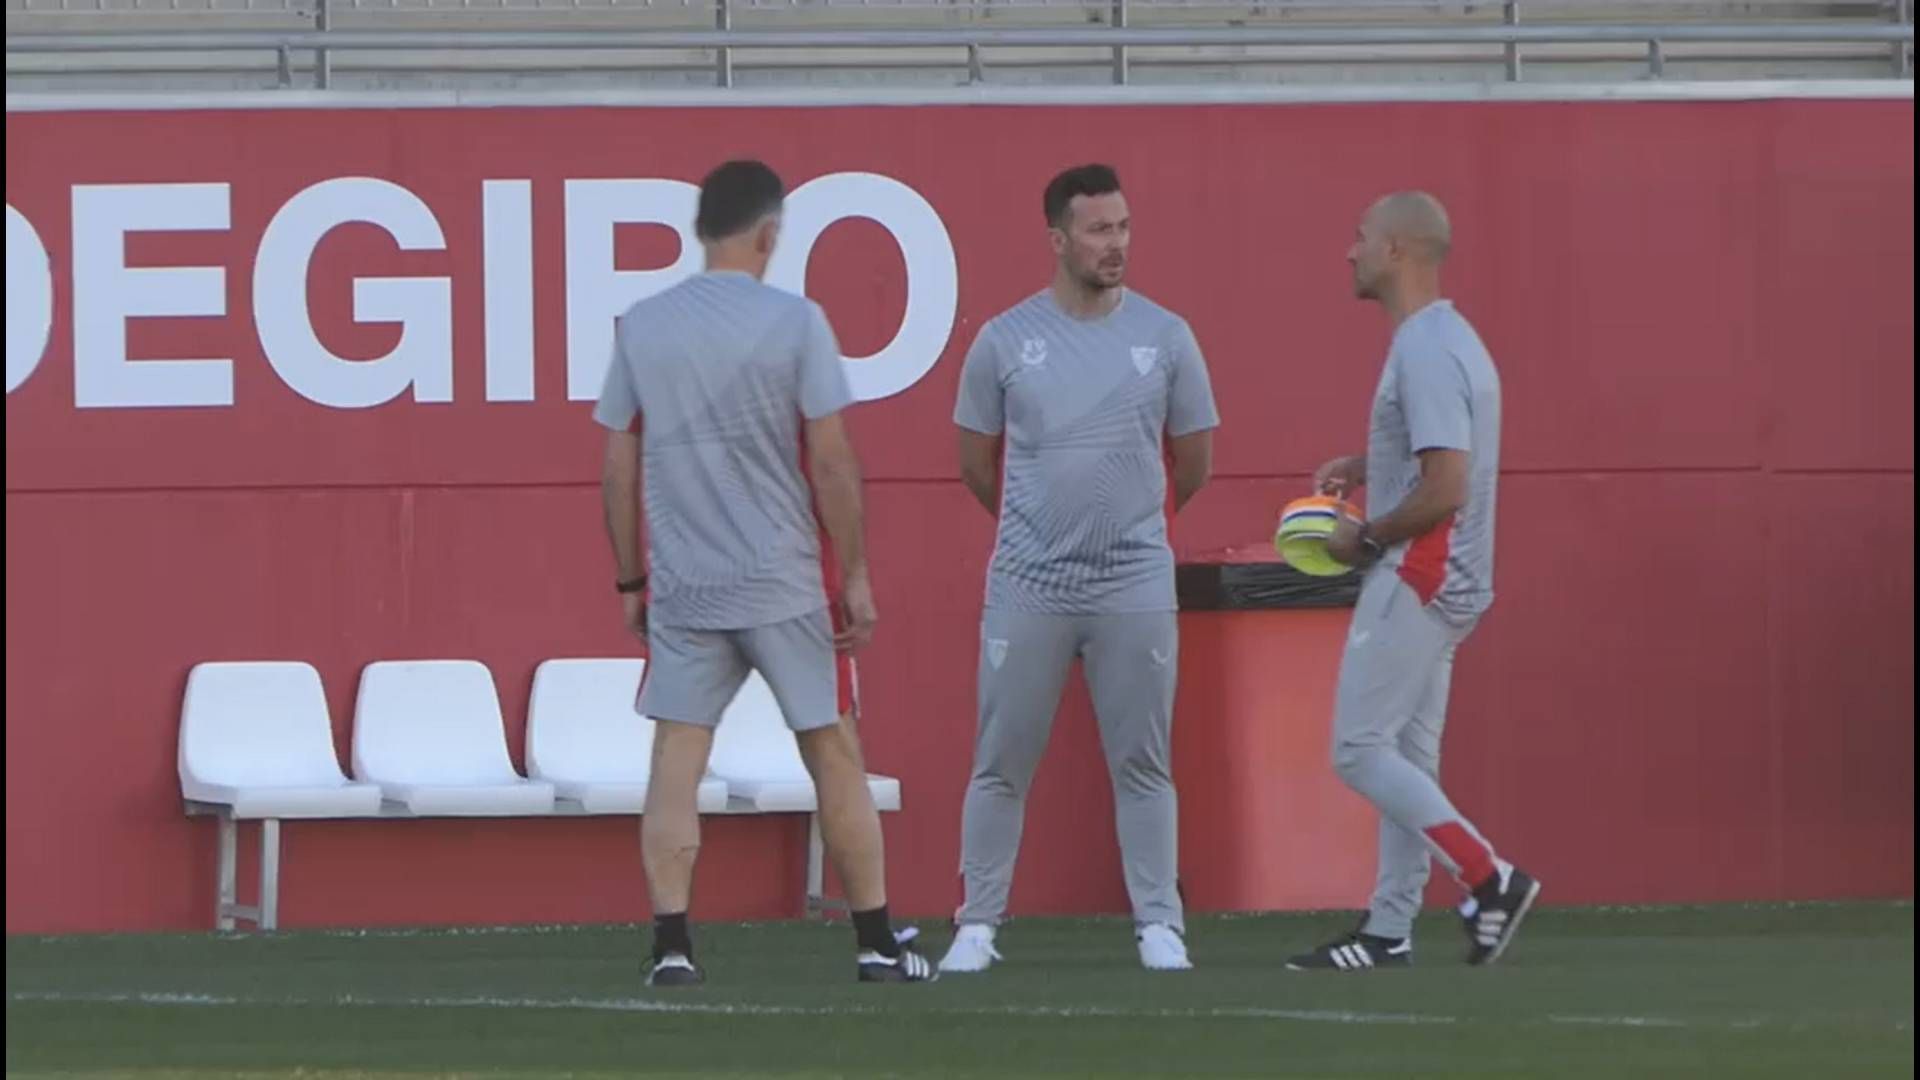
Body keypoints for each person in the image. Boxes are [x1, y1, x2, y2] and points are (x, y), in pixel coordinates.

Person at [595, 159, 934, 987]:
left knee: (676, 752)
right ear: (770, 233)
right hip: (782, 578)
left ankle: (672, 945)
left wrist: (632, 580)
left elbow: (616, 462)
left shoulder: (642, 324)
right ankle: (874, 942)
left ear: (699, 232)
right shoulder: (797, 323)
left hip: (687, 579)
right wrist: (853, 573)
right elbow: (831, 459)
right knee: (832, 749)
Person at [940, 163, 1220, 975]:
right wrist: (1043, 530)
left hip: (1133, 583)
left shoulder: (1167, 337)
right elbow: (975, 463)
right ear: (1058, 239)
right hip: (1028, 584)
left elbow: (1192, 463)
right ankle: (978, 924)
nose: (1116, 244)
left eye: (1124, 227)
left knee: (1143, 762)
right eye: (1099, 230)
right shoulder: (1001, 340)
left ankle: (1159, 924)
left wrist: (1126, 531)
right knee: (1000, 762)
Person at [1287, 191, 1539, 972]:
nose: (1349, 252)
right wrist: (1370, 466)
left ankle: (1489, 877)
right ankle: (1389, 930)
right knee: (1404, 760)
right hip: (1451, 580)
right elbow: (1439, 455)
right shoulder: (1448, 340)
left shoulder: (1425, 349)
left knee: (1358, 749)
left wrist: (1363, 535)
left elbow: (1446, 487)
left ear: (1397, 250)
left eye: (1361, 238)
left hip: (1421, 572)